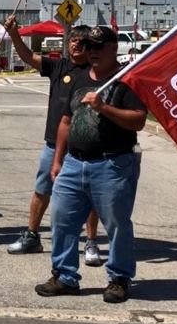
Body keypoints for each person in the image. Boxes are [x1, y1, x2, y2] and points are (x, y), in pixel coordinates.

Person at [34, 26, 147, 304]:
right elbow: (65, 121)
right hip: (74, 163)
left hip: (112, 164)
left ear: (112, 48)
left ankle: (119, 278)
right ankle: (64, 275)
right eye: (88, 46)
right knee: (62, 220)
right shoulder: (79, 78)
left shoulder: (125, 81)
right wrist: (58, 160)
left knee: (117, 223)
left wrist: (104, 107)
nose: (91, 51)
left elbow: (138, 120)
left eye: (98, 46)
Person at [4, 19, 104, 265]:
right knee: (42, 190)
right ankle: (32, 236)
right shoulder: (58, 67)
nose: (76, 45)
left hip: (85, 147)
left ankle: (91, 243)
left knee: (90, 197)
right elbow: (28, 57)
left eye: (82, 42)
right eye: (73, 41)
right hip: (52, 144)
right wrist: (14, 33)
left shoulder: (95, 73)